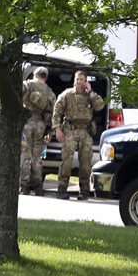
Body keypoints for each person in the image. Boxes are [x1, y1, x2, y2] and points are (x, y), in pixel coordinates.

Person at [52, 69, 105, 199]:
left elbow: (100, 106)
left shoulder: (90, 96)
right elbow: (57, 112)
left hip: (85, 131)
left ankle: (84, 191)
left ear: (85, 81)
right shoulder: (67, 94)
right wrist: (57, 129)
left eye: (82, 80)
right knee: (67, 161)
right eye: (77, 79)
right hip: (70, 130)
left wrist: (91, 92)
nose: (79, 82)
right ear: (74, 80)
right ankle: (62, 189)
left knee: (85, 163)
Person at [20, 67, 56, 195]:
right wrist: (50, 131)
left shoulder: (27, 85)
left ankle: (24, 186)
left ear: (34, 74)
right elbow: (53, 114)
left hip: (26, 123)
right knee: (37, 156)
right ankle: (38, 185)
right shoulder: (50, 93)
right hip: (40, 125)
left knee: (25, 155)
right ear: (45, 77)